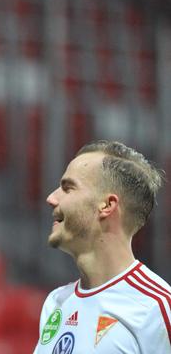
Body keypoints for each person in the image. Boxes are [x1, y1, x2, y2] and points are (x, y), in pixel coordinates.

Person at [34, 140, 171, 353]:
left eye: (67, 188)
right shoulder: (56, 303)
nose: (51, 198)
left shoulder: (156, 308)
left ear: (107, 205)